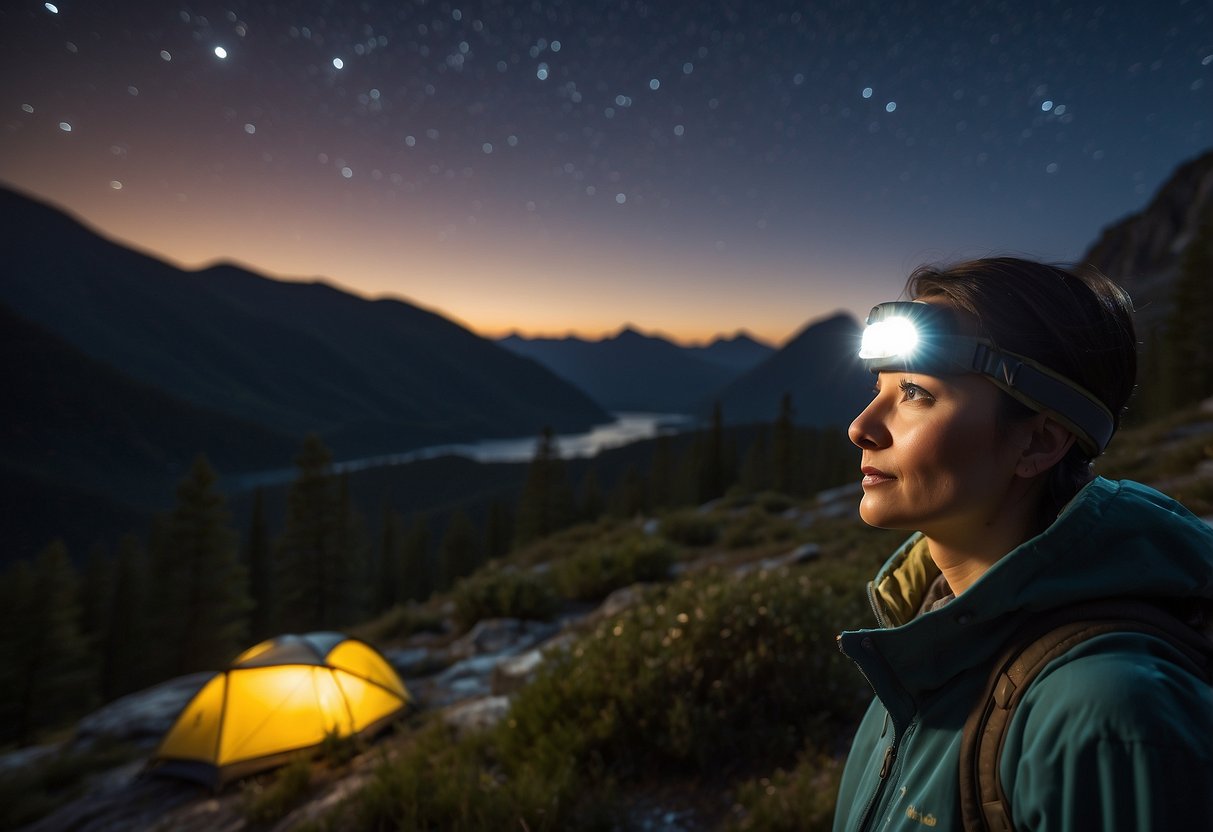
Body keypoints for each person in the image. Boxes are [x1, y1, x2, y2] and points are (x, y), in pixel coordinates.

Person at [831, 257, 1213, 831]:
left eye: (914, 392)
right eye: (879, 388)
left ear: (1038, 442)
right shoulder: (923, 642)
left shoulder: (1110, 717)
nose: (862, 426)